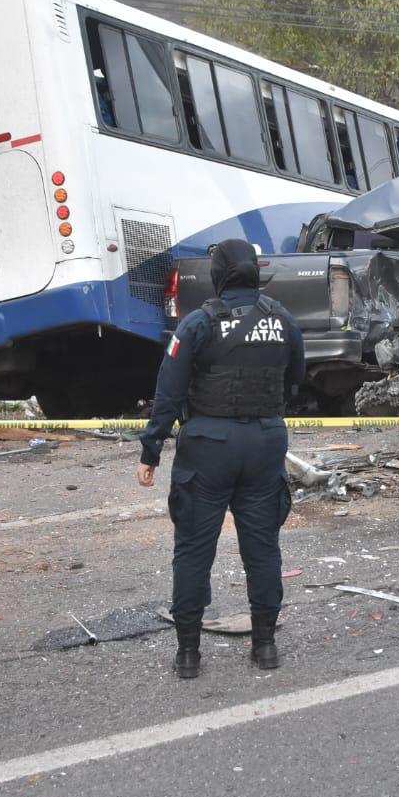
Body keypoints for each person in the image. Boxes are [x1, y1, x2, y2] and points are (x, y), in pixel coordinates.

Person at [136, 239, 306, 680]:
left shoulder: (197, 323)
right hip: (266, 442)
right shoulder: (282, 319)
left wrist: (151, 449)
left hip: (208, 445)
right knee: (263, 546)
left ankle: (188, 654)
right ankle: (265, 645)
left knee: (193, 549)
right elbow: (296, 379)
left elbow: (168, 393)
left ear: (218, 274)